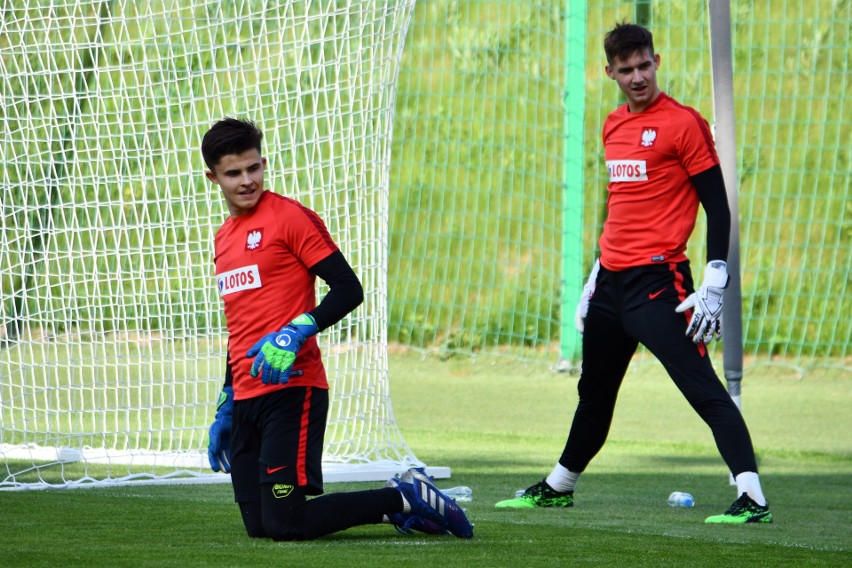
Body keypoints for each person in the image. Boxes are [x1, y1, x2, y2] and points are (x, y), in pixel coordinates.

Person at [495, 23, 772, 524]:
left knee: (701, 388)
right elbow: (620, 205)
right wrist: (594, 273)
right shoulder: (611, 125)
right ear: (610, 73)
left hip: (659, 284)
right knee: (594, 392)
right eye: (626, 70)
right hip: (610, 284)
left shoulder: (684, 124)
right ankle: (560, 486)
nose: (637, 76)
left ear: (657, 61)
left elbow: (719, 207)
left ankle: (753, 498)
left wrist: (715, 279)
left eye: (644, 65)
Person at [202, 117, 473, 540]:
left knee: (285, 525)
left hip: (292, 389)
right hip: (248, 395)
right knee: (259, 526)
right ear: (213, 177)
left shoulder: (290, 218)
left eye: (254, 168)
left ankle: (402, 495)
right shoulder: (223, 239)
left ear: (263, 163)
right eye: (234, 173)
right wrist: (227, 398)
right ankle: (397, 510)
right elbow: (240, 325)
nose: (247, 180)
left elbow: (348, 288)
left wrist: (296, 331)